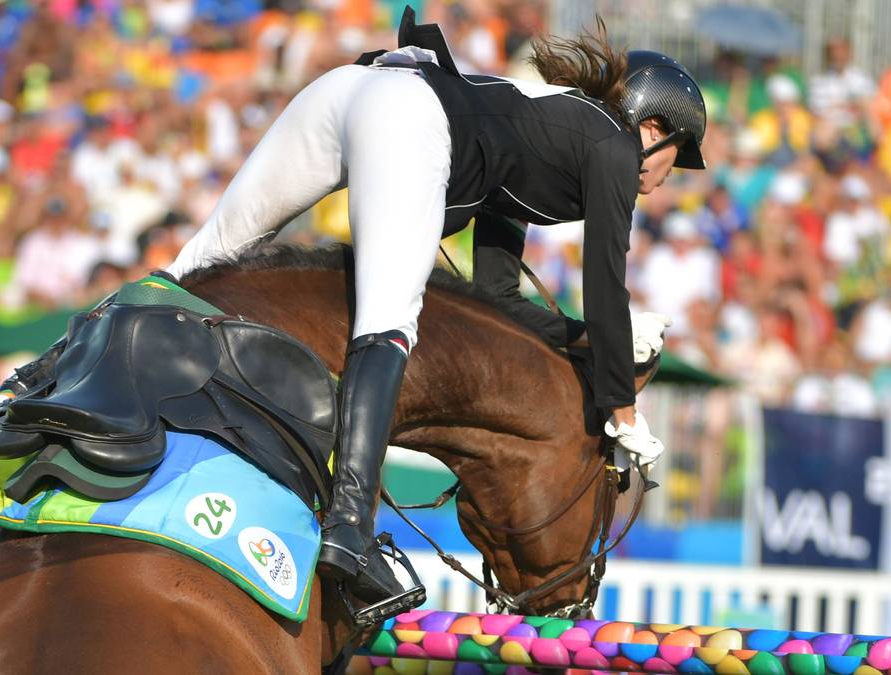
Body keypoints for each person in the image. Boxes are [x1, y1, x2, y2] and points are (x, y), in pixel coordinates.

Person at [165, 9, 707, 608]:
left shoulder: (555, 131)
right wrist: (622, 409)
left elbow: (499, 300)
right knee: (389, 324)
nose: (663, 177)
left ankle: (57, 378)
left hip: (348, 92)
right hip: (409, 117)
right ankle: (348, 531)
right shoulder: (613, 146)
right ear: (652, 129)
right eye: (674, 158)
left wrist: (583, 336)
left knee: (196, 263)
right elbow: (607, 284)